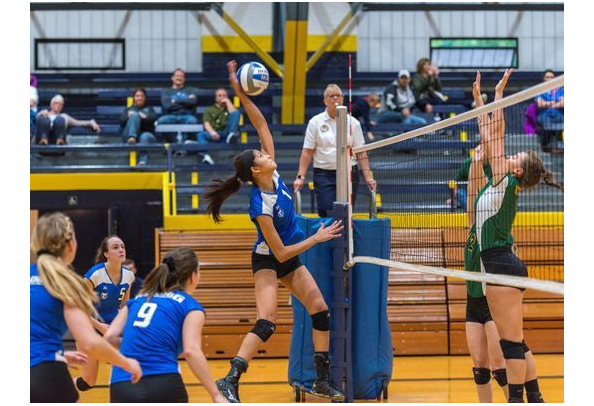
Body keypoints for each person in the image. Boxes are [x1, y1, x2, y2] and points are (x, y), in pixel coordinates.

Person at [204, 60, 346, 403]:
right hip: (269, 259)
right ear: (256, 170)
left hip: (290, 254)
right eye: (262, 156)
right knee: (267, 322)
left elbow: (261, 123)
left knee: (321, 311)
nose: (269, 154)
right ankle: (230, 380)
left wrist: (241, 93)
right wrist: (316, 238)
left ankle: (321, 381)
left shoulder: (277, 176)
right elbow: (280, 252)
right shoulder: (260, 206)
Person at [475, 69, 561, 403]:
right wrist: (483, 100)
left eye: (514, 157)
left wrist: (498, 97)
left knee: (510, 343)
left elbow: (496, 136)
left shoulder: (505, 181)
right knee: (516, 340)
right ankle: (535, 397)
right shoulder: (497, 180)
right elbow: (489, 136)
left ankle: (516, 399)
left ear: (518, 171)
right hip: (499, 264)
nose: (508, 155)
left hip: (501, 265)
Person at [30, 212, 141, 402]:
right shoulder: (66, 282)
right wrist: (127, 363)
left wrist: (62, 354)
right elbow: (90, 342)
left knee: (88, 381)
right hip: (44, 370)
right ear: (71, 245)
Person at [105, 247, 227, 402]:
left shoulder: (137, 300)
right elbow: (191, 351)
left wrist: (141, 344)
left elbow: (109, 337)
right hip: (163, 381)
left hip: (121, 384)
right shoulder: (190, 306)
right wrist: (216, 395)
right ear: (192, 276)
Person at [293, 84, 377, 217]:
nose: (335, 98)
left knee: (346, 213)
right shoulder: (315, 122)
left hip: (349, 173)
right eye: (331, 96)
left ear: (343, 99)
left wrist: (368, 176)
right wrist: (300, 177)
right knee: (327, 211)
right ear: (325, 100)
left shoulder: (353, 123)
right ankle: (329, 238)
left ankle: (346, 238)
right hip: (324, 174)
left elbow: (361, 152)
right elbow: (307, 152)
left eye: (338, 95)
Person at [73, 235, 135, 393]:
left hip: (111, 329)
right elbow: (77, 306)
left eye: (122, 246)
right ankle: (57, 387)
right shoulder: (95, 274)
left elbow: (124, 306)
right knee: (88, 382)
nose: (121, 250)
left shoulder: (129, 276)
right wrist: (100, 326)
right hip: (88, 327)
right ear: (106, 254)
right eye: (115, 247)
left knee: (131, 363)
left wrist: (122, 325)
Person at [35, 94, 101, 145]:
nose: (58, 105)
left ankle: (60, 140)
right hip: (42, 140)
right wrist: (39, 114)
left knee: (60, 119)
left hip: (57, 140)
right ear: (51, 104)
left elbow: (79, 122)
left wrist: (91, 122)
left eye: (60, 104)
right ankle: (43, 140)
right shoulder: (43, 114)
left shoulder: (64, 117)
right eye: (56, 103)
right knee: (42, 118)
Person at [156, 68, 199, 143]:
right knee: (161, 121)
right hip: (171, 115)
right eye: (177, 76)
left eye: (181, 76)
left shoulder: (190, 90)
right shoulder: (166, 91)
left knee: (193, 121)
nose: (179, 78)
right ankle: (173, 143)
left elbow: (193, 101)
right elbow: (167, 105)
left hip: (186, 115)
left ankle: (184, 144)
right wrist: (186, 100)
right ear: (172, 78)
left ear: (184, 79)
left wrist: (175, 101)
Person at [119, 88, 157, 166]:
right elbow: (121, 122)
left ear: (145, 98)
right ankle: (132, 137)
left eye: (141, 96)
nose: (139, 98)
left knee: (145, 136)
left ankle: (142, 162)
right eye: (137, 96)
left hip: (145, 135)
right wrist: (128, 116)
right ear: (134, 98)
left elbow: (153, 119)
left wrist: (144, 117)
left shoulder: (150, 109)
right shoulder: (128, 109)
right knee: (135, 115)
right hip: (128, 135)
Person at [534, 69, 564, 153]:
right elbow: (540, 104)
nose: (549, 79)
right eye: (547, 77)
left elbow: (563, 103)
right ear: (544, 78)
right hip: (545, 116)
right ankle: (546, 146)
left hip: (560, 115)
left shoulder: (562, 90)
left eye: (551, 77)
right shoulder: (539, 90)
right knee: (547, 123)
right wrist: (555, 102)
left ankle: (560, 145)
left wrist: (547, 103)